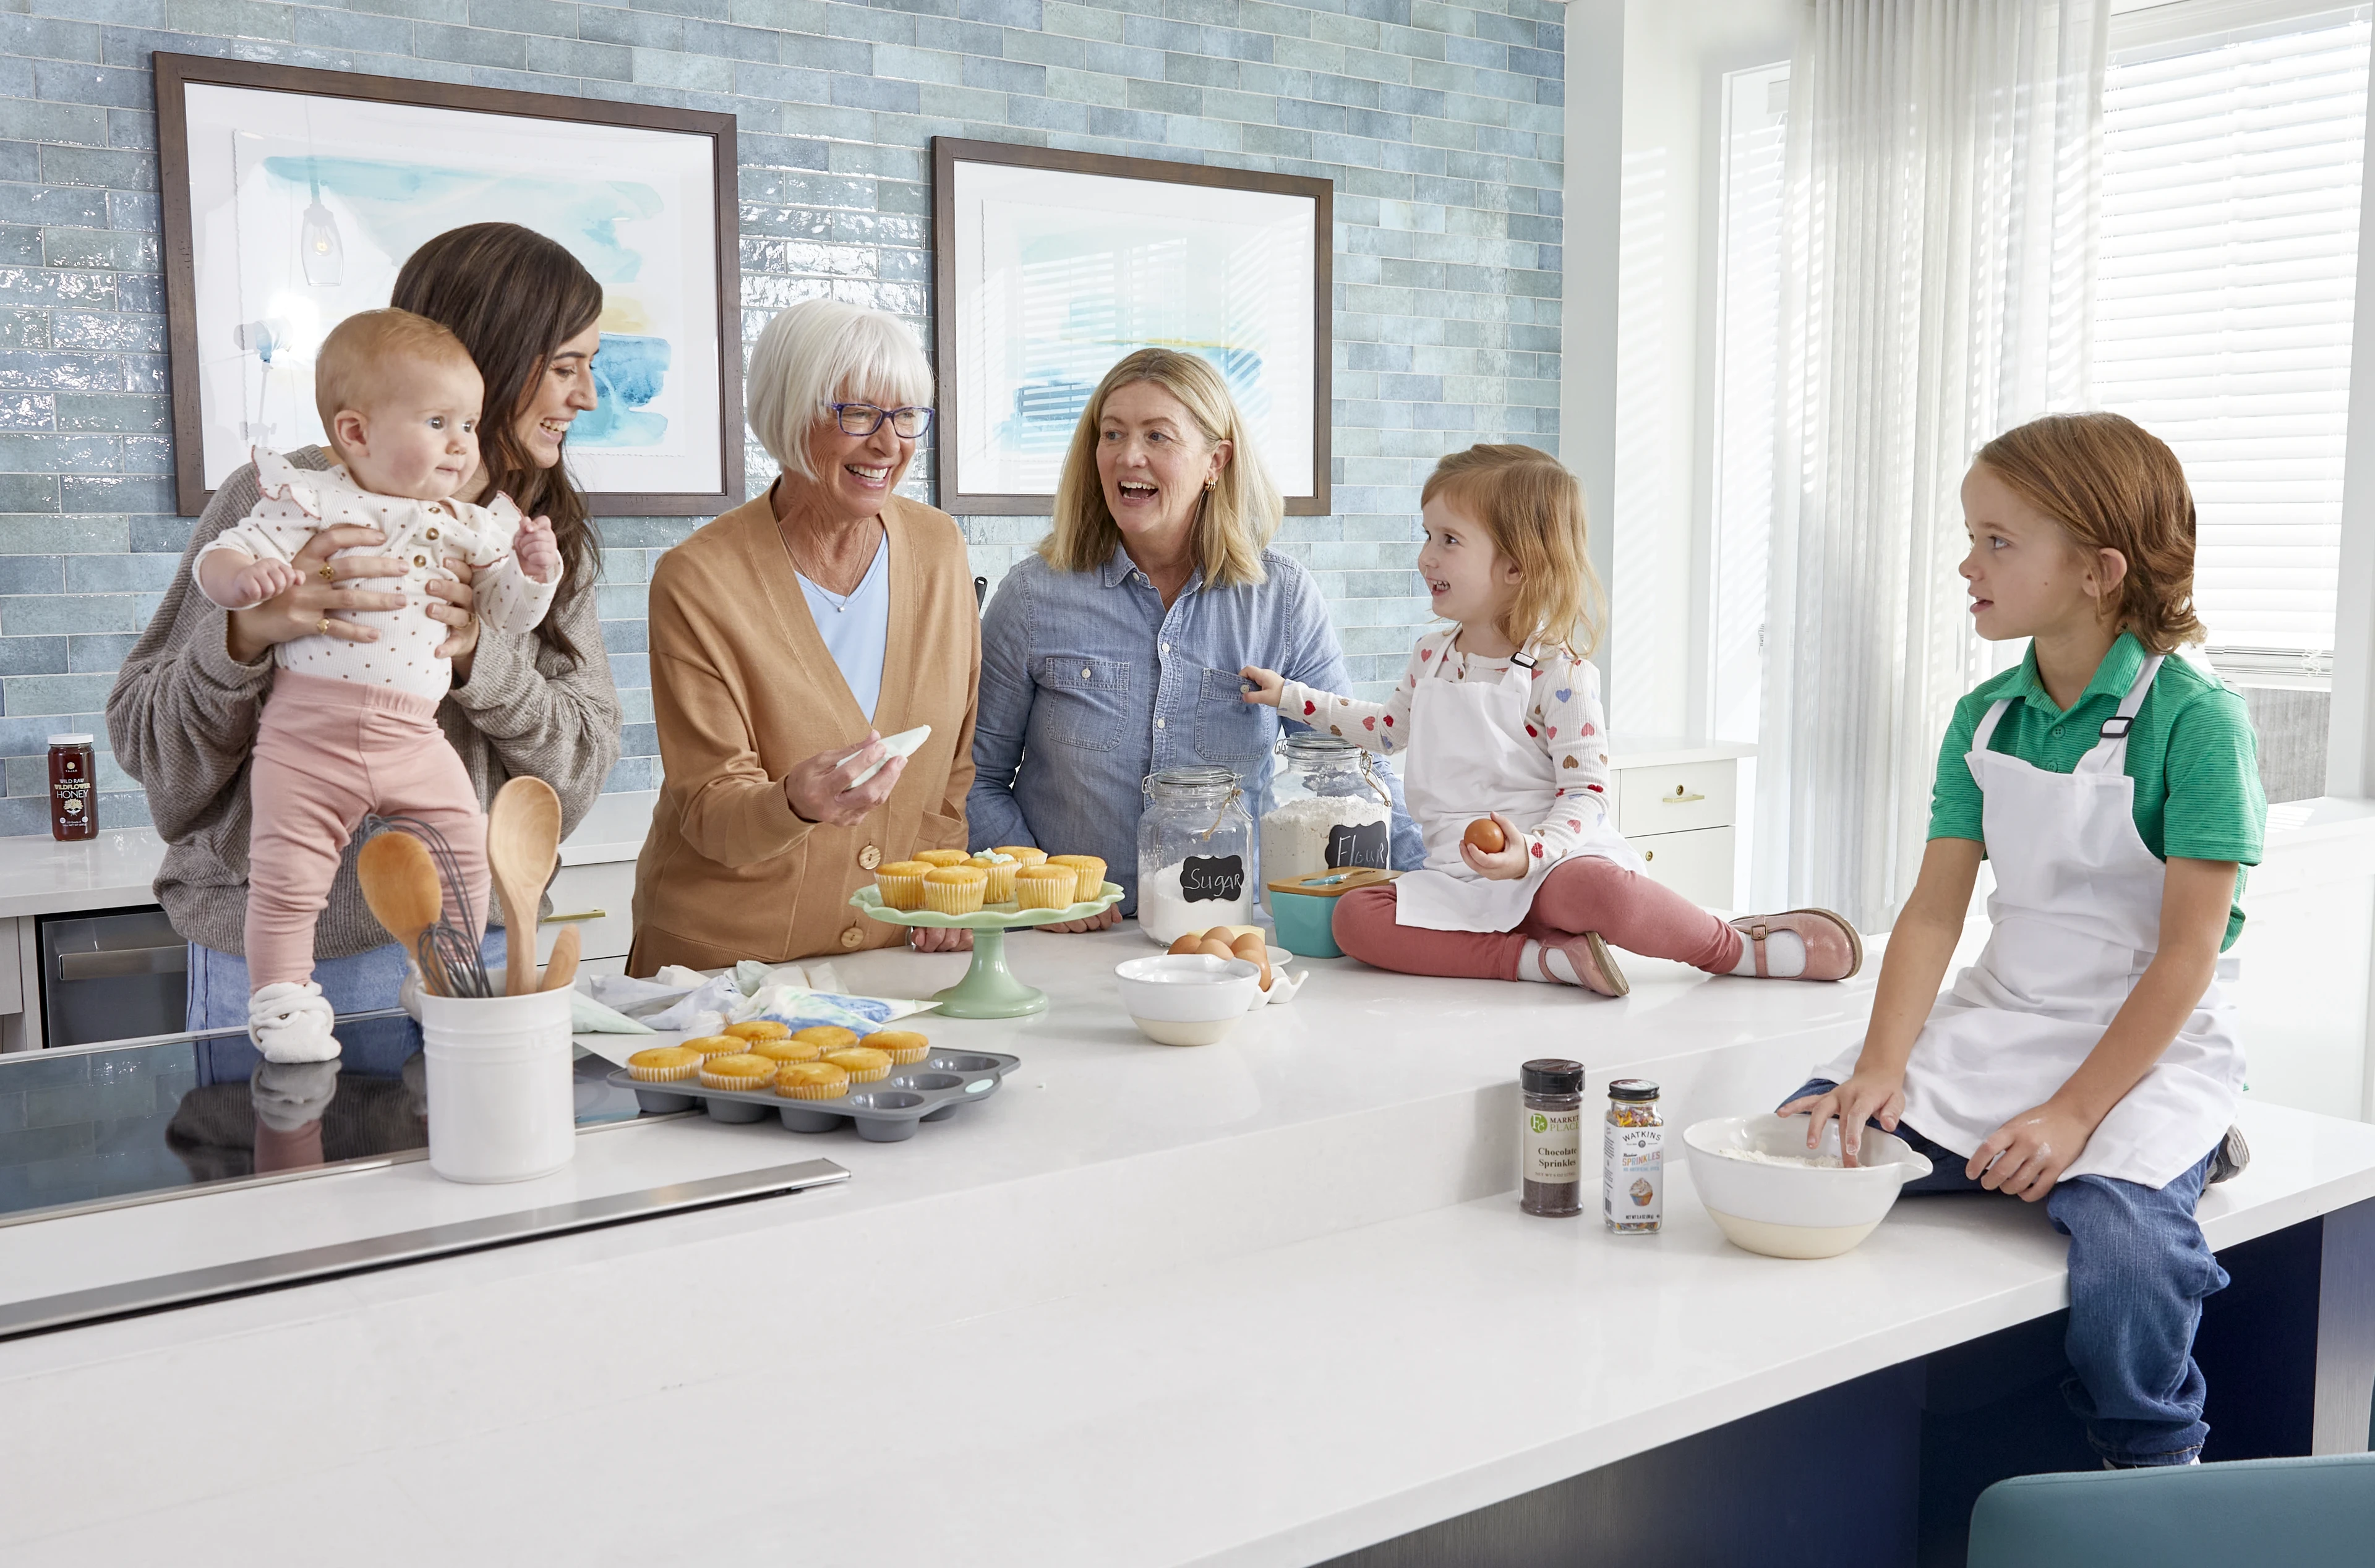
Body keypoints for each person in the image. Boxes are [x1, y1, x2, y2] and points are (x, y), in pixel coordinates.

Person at [1782, 412, 2262, 1468]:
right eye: (1971, 536)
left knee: (2127, 1248)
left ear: (2098, 570)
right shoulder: (1986, 719)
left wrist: (2072, 1116)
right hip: (2008, 1017)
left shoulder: (2199, 722)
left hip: (2148, 1047)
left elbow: (2187, 957)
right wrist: (1880, 1066)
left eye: (1997, 540)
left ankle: (2150, 1457)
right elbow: (1934, 912)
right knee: (1810, 1137)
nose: (1967, 563)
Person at [110, 222, 623, 1038]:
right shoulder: (286, 501)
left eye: (591, 367)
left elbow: (582, 771)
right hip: (284, 971)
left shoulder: (534, 542)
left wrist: (479, 661)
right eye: (565, 366)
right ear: (485, 357)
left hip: (478, 954)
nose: (586, 396)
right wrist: (244, 638)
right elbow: (148, 747)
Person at [1241, 444, 1859, 994]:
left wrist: (1529, 852)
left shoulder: (1556, 672)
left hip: (1552, 867)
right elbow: (1385, 730)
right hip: (1460, 877)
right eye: (1427, 535)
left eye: (1449, 540)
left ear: (1516, 566)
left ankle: (1731, 948)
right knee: (1355, 920)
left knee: (1603, 891)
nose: (1427, 556)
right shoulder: (1432, 657)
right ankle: (1538, 961)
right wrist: (1290, 696)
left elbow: (1588, 794)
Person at [191, 309, 561, 1060]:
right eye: (438, 421)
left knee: (464, 845)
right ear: (356, 434)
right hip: (305, 736)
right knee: (288, 874)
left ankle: (436, 974)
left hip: (411, 734)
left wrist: (533, 570)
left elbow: (512, 617)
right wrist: (249, 594)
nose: (462, 443)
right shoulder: (310, 499)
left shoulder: (468, 522)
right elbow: (222, 558)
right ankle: (283, 1000)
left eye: (468, 422)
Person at [969, 348, 1421, 927]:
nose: (1129, 456)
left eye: (1158, 436)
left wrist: (1435, 884)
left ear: (1216, 461)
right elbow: (973, 779)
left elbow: (1347, 769)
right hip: (1069, 935)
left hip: (1229, 932)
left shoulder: (1280, 599)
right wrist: (1040, 888)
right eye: (1112, 434)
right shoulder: (1033, 596)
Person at [629, 299, 978, 971]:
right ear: (792, 416)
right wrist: (792, 803)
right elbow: (708, 807)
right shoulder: (699, 579)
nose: (888, 445)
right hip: (724, 966)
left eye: (906, 416)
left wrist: (944, 883)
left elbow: (953, 768)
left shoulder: (939, 549)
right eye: (856, 415)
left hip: (884, 957)